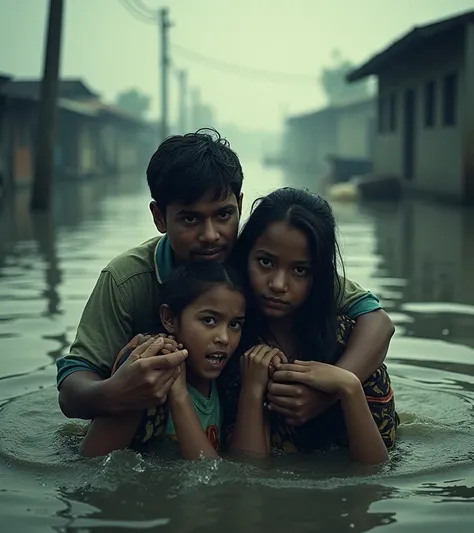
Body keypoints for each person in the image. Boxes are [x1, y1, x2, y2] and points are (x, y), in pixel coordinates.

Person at [56, 130, 394, 428]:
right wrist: (113, 393)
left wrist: (332, 391)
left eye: (223, 215)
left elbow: (377, 321)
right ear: (160, 217)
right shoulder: (127, 279)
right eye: (190, 219)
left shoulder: (260, 262)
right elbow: (73, 388)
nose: (211, 235)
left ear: (240, 205)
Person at [224, 187, 398, 465]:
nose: (278, 284)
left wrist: (346, 387)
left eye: (300, 270)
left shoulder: (348, 343)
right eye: (265, 262)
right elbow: (247, 477)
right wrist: (254, 390)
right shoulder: (228, 345)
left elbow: (376, 472)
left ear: (319, 276)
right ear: (244, 258)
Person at [82, 262, 246, 459]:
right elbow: (89, 464)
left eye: (235, 324)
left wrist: (179, 394)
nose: (224, 338)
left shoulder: (228, 382)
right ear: (169, 318)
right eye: (209, 320)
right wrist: (176, 393)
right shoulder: (144, 383)